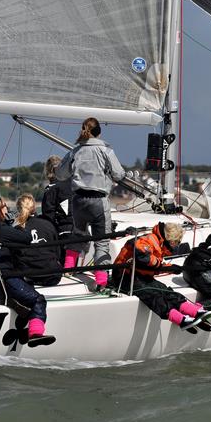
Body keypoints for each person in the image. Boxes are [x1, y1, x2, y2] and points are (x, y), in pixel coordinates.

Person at [56, 117, 125, 291]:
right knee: (101, 242)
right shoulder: (105, 150)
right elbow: (119, 174)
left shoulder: (75, 151)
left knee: (77, 235)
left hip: (78, 201)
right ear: (99, 132)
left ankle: (67, 272)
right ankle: (101, 283)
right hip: (98, 201)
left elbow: (60, 174)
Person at [0, 196, 55, 347]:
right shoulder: (0, 228)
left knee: (22, 293)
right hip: (2, 281)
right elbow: (26, 238)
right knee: (38, 299)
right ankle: (35, 334)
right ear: (0, 210)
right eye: (5, 206)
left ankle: (18, 308)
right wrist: (14, 223)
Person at [112, 222, 211, 332]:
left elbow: (149, 266)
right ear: (171, 240)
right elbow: (142, 257)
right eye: (177, 242)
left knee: (166, 291)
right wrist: (163, 267)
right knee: (153, 295)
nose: (176, 245)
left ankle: (194, 312)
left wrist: (170, 267)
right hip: (125, 277)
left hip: (140, 276)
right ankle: (181, 319)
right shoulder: (149, 240)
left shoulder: (159, 244)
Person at [12, 193, 63, 286]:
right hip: (52, 276)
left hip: (29, 276)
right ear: (34, 207)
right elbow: (57, 252)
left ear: (19, 209)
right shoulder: (48, 225)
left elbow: (15, 256)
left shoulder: (17, 230)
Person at [42, 155, 80, 269]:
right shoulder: (75, 185)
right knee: (72, 265)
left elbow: (48, 215)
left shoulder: (52, 189)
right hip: (80, 231)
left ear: (48, 171)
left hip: (63, 232)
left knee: (65, 267)